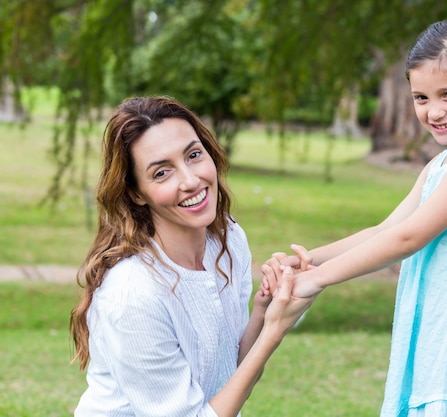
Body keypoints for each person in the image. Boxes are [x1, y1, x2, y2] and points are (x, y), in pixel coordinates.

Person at [263, 18, 447, 417]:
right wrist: (308, 259)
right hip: (443, 348)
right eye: (421, 98)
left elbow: (409, 238)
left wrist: (317, 280)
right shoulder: (443, 162)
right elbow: (387, 229)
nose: (434, 111)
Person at [69, 96, 313, 417]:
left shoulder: (228, 239)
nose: (190, 180)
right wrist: (273, 331)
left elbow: (231, 372)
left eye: (194, 155)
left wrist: (264, 311)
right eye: (161, 173)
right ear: (136, 193)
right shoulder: (132, 293)